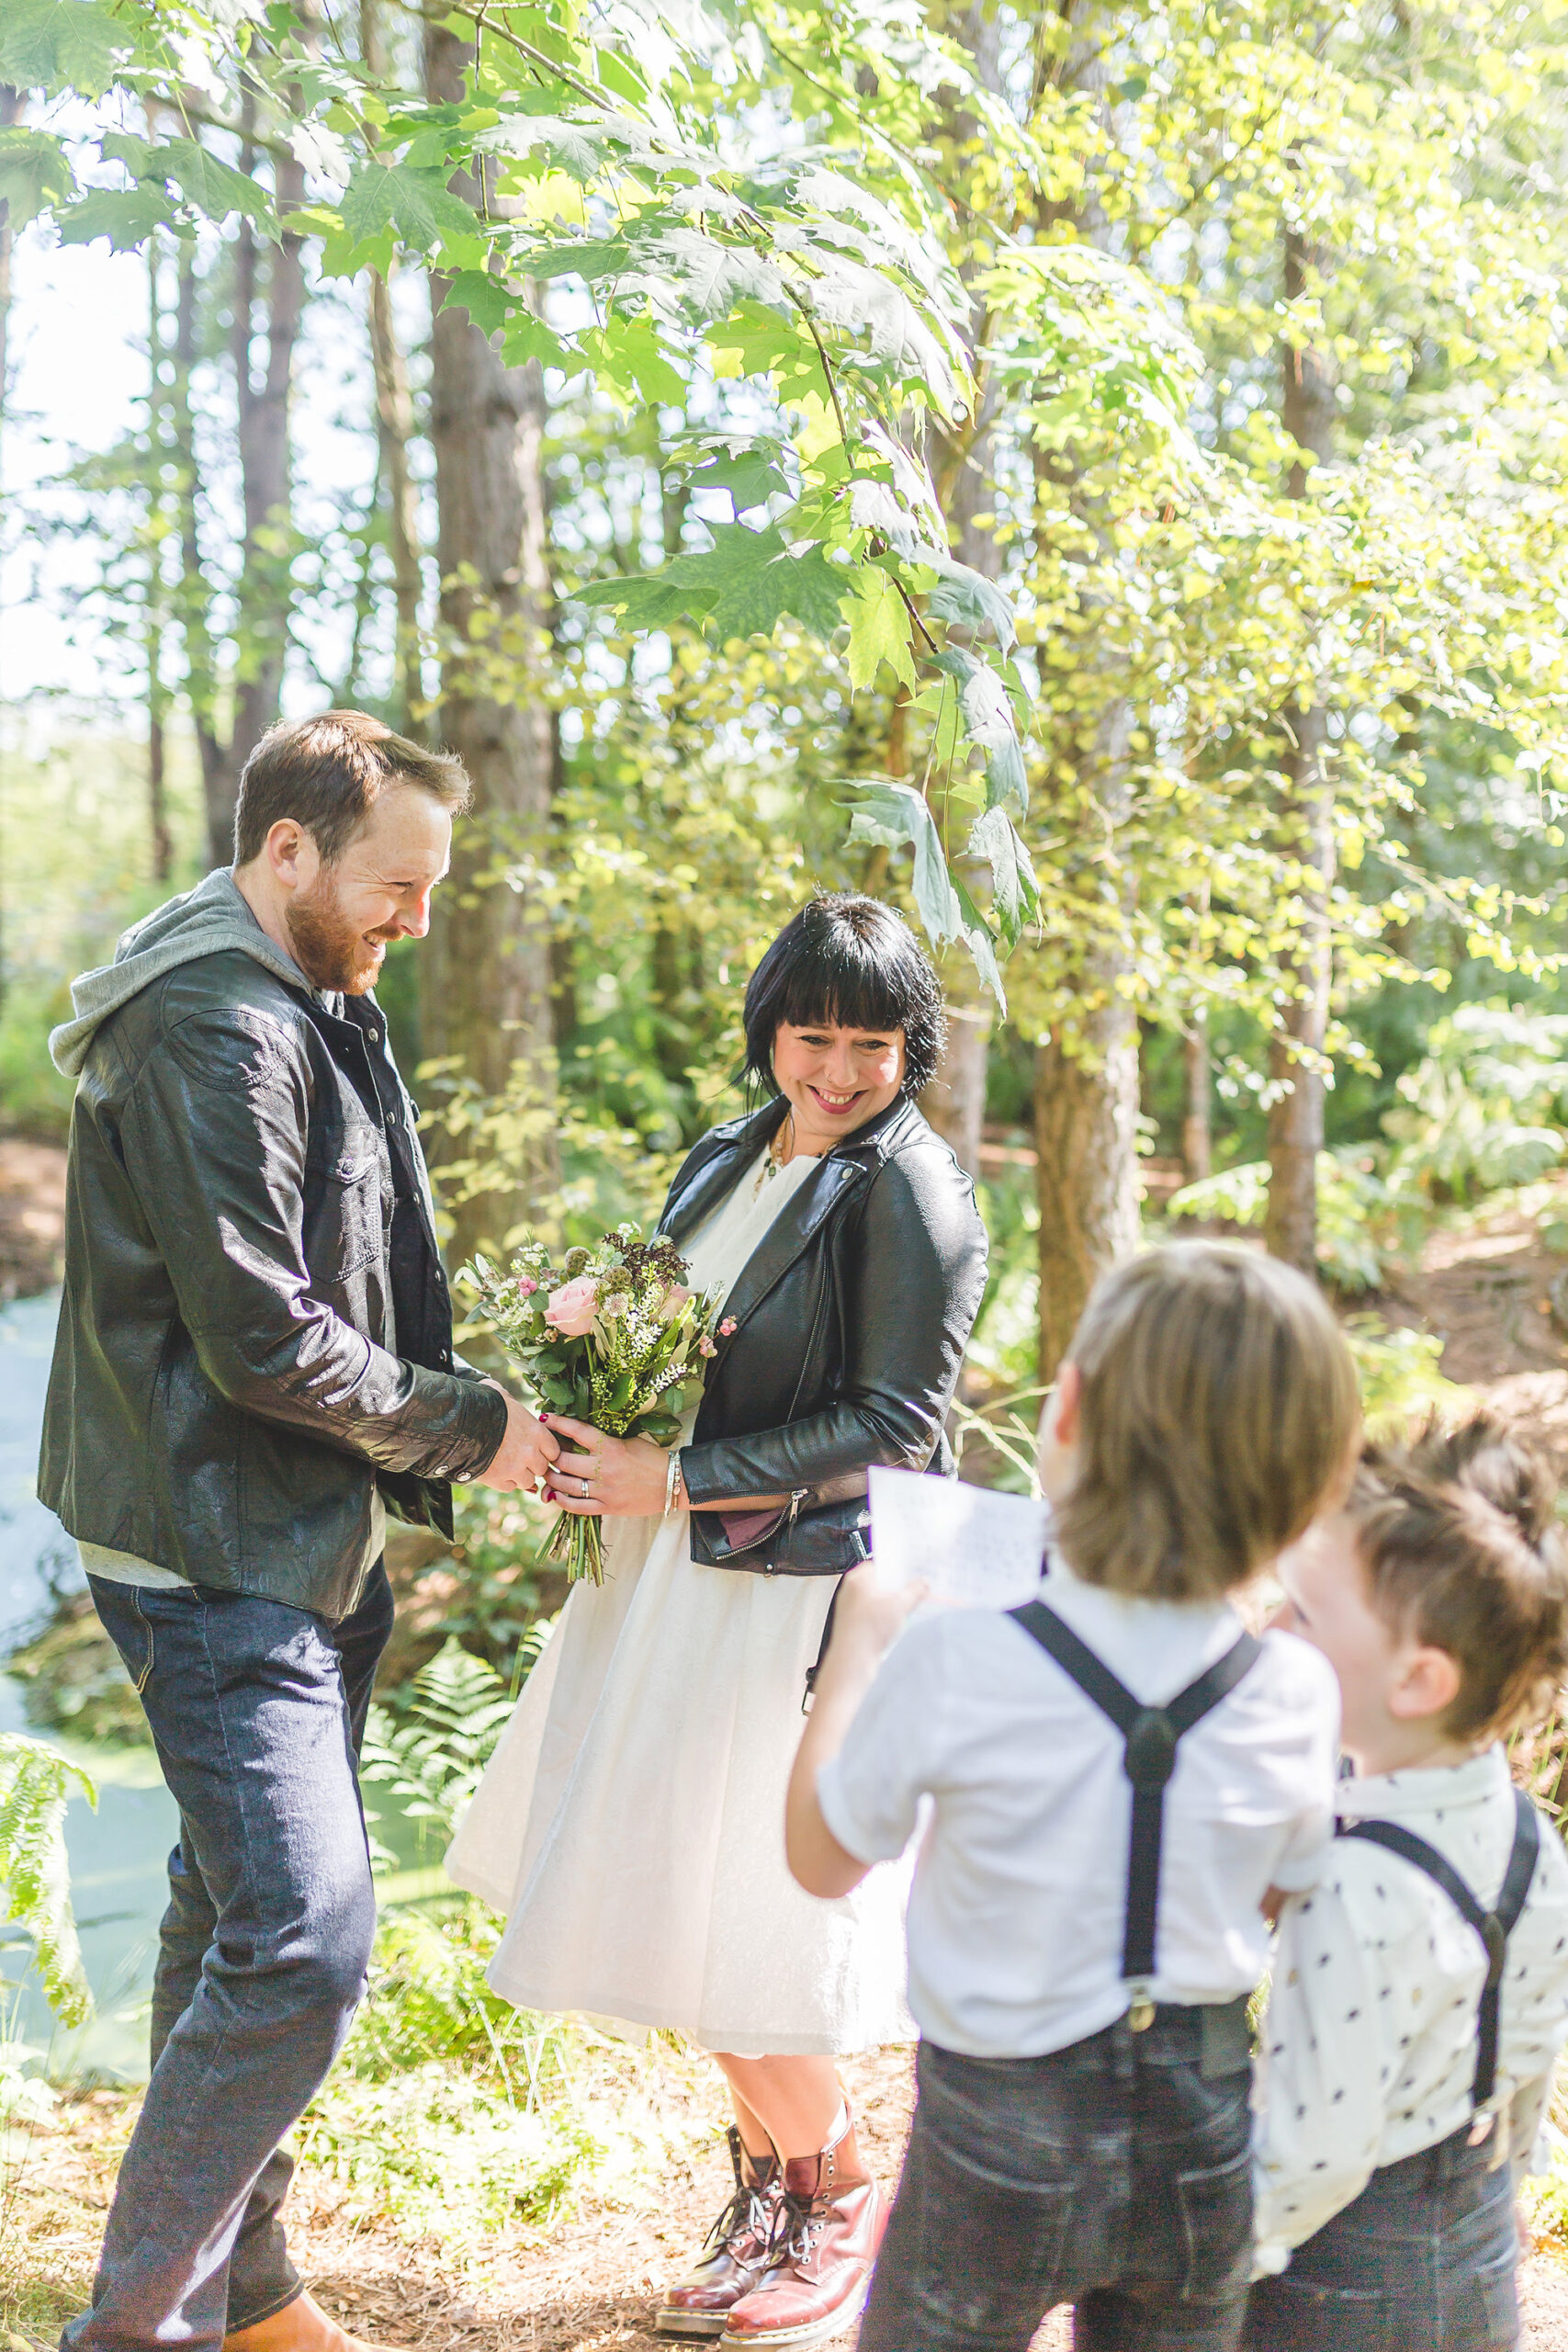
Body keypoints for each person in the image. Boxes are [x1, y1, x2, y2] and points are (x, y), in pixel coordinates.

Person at [39, 711, 558, 2352]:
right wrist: (478, 1432)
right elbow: (263, 1333)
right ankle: (138, 2330)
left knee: (220, 1911)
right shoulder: (215, 1022)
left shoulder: (306, 992)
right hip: (211, 1546)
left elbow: (353, 1255)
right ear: (288, 854)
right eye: (397, 883)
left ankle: (243, 2284)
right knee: (309, 1935)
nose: (416, 914)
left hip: (294, 1522)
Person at [446, 893, 988, 2351]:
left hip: (788, 1592)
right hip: (664, 1576)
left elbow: (897, 1421)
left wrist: (670, 1474)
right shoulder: (727, 1154)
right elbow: (677, 1317)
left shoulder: (911, 1194)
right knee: (658, 1892)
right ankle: (776, 2180)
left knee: (740, 1910)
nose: (835, 1068)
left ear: (906, 1049)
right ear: (769, 1031)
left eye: (869, 1043)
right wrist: (587, 1339)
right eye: (810, 1034)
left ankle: (841, 2194)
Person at [787, 1241, 1362, 2352]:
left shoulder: (959, 1653)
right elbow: (1288, 1892)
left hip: (996, 2132)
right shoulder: (1293, 1688)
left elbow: (821, 1857)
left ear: (1072, 1410)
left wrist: (857, 1641)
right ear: (1303, 1486)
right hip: (1203, 2129)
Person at [1246, 1417, 1568, 2351]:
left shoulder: (1350, 1885)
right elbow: (1533, 2040)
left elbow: (1317, 2149)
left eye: (1305, 1611)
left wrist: (1208, 2260)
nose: (1271, 1621)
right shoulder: (1524, 1834)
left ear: (1419, 1680)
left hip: (1338, 2277)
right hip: (1471, 2235)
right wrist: (1509, 2189)